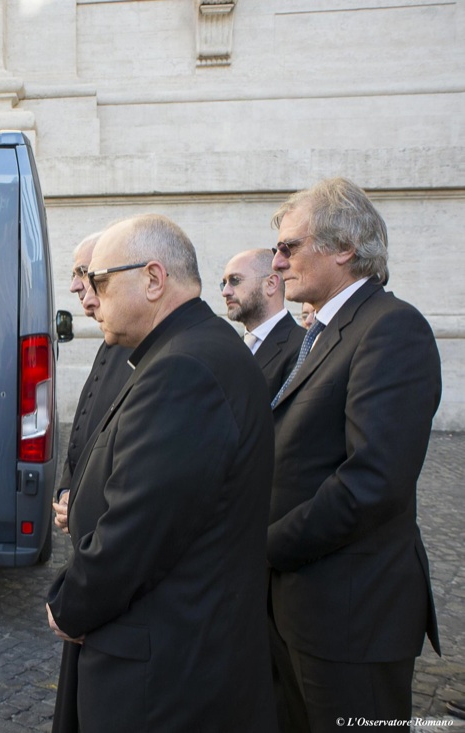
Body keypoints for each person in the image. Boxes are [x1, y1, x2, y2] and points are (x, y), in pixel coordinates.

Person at [45, 214, 276, 732]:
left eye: (100, 281)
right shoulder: (191, 349)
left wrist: (69, 605)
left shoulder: (183, 369)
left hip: (163, 676)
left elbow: (137, 529)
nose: (92, 298)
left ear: (153, 279)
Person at [267, 178, 441, 731]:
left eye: (289, 247)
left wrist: (264, 546)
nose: (277, 262)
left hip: (353, 619)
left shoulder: (392, 328)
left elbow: (371, 482)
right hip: (302, 609)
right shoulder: (324, 329)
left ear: (343, 247)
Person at [52, 233, 133, 537]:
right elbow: (83, 429)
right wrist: (65, 490)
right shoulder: (112, 335)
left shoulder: (139, 341)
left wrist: (82, 504)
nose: (74, 286)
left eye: (83, 273)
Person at [221, 248, 304, 395]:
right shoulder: (231, 348)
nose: (225, 292)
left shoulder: (303, 346)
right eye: (224, 283)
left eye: (235, 280)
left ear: (271, 284)